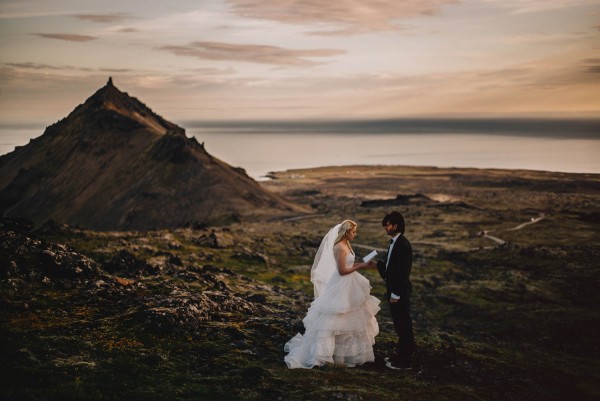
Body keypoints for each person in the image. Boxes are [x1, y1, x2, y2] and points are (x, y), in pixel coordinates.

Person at [284, 220, 380, 369]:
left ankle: (347, 353)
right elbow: (342, 271)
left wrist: (363, 265)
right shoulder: (340, 247)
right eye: (353, 232)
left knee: (351, 317)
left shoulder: (347, 245)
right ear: (346, 232)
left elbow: (348, 266)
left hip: (350, 283)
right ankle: (326, 354)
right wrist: (361, 265)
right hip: (342, 284)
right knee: (335, 318)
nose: (355, 234)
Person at [377, 211, 414, 370]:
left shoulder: (403, 246)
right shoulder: (394, 243)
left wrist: (395, 294)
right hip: (394, 291)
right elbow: (390, 271)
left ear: (396, 226)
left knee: (404, 326)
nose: (385, 228)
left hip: (398, 294)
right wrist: (378, 265)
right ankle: (401, 356)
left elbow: (402, 273)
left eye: (387, 225)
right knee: (400, 326)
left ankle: (405, 362)